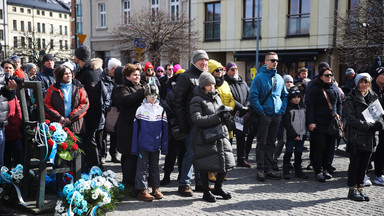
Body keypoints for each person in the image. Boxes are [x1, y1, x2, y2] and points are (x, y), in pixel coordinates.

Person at [190, 72, 235, 202]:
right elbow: (197, 119)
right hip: (205, 136)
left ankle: (218, 187)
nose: (212, 87)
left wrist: (226, 116)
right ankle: (206, 192)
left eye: (213, 84)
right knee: (205, 165)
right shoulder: (196, 100)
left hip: (221, 134)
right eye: (209, 85)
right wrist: (217, 117)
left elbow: (220, 111)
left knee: (226, 162)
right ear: (203, 85)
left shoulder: (216, 96)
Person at [173, 50, 209, 196]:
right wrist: (183, 124)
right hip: (190, 123)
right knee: (191, 153)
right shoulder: (185, 77)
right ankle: (184, 184)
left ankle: (200, 183)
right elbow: (178, 103)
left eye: (206, 60)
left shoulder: (206, 77)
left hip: (204, 123)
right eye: (201, 60)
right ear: (195, 61)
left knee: (202, 153)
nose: (204, 62)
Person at [248, 52, 288, 181]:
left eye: (276, 60)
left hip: (276, 115)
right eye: (272, 60)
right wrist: (261, 112)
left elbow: (284, 95)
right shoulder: (259, 78)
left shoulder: (280, 78)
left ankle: (269, 168)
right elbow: (252, 96)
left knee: (271, 142)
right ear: (266, 62)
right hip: (264, 115)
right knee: (261, 143)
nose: (275, 62)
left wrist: (281, 110)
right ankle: (260, 169)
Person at [344, 73, 383, 201]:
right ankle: (352, 190)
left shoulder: (373, 97)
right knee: (355, 164)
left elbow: (380, 116)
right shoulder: (351, 97)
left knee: (364, 166)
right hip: (357, 136)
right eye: (361, 82)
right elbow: (350, 119)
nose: (363, 84)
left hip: (371, 137)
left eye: (366, 82)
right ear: (356, 83)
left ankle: (361, 189)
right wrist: (367, 125)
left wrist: (379, 125)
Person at [132, 83, 168, 201]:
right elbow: (136, 130)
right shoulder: (140, 109)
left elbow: (165, 129)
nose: (153, 97)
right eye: (150, 94)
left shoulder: (161, 110)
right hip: (143, 144)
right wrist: (134, 147)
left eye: (155, 95)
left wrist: (164, 146)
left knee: (155, 167)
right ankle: (142, 190)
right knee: (142, 167)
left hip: (155, 145)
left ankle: (155, 188)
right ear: (146, 95)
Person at [113, 63, 146, 190]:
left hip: (142, 126)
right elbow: (125, 101)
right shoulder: (121, 88)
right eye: (134, 75)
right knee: (128, 157)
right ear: (127, 76)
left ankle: (139, 183)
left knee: (140, 157)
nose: (137, 77)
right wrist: (142, 92)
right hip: (127, 127)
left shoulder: (143, 85)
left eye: (138, 74)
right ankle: (128, 184)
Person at [306, 67, 342, 182]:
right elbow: (310, 107)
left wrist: (339, 117)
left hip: (332, 123)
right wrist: (311, 122)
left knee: (330, 147)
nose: (329, 77)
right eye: (326, 75)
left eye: (331, 75)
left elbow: (339, 103)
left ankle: (326, 168)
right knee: (319, 147)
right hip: (319, 123)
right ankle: (318, 170)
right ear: (321, 76)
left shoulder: (334, 88)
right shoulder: (315, 89)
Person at [74, 45, 104, 170]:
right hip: (93, 113)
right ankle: (93, 166)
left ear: (77, 58)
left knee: (89, 142)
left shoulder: (88, 72)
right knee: (91, 141)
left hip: (90, 114)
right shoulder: (93, 70)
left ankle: (94, 168)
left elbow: (91, 97)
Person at [44, 64, 89, 137]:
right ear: (60, 75)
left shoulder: (78, 87)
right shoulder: (52, 89)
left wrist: (71, 118)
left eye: (70, 73)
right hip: (58, 126)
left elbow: (84, 104)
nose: (69, 75)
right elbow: (46, 104)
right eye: (66, 74)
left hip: (76, 125)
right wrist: (59, 117)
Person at [160, 69, 186, 186]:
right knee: (172, 155)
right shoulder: (172, 94)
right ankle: (167, 176)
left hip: (184, 128)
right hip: (174, 129)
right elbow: (166, 109)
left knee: (182, 154)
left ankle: (181, 176)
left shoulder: (186, 93)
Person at [224, 62, 252, 168]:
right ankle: (228, 161)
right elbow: (230, 98)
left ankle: (241, 159)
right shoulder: (225, 82)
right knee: (229, 139)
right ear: (227, 71)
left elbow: (249, 95)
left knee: (241, 138)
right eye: (232, 69)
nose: (234, 70)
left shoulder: (242, 82)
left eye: (236, 68)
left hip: (241, 116)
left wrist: (246, 107)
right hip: (231, 114)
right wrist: (241, 107)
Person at [0, 61, 17, 216]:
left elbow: (7, 95)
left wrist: (10, 89)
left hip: (0, 125)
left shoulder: (1, 72)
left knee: (0, 165)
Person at [98, 58, 122, 164]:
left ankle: (114, 154)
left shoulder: (118, 78)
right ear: (112, 69)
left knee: (115, 134)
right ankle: (103, 155)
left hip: (116, 109)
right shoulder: (102, 77)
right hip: (105, 109)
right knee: (103, 134)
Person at [282, 86, 308, 180]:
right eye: (294, 97)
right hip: (291, 136)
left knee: (299, 153)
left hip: (301, 135)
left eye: (298, 97)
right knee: (288, 152)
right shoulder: (288, 108)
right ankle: (286, 169)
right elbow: (287, 123)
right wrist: (294, 135)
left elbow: (306, 121)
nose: (296, 99)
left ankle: (298, 169)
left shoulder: (303, 107)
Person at [1, 60, 23, 168]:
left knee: (18, 157)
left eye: (10, 68)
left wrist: (18, 123)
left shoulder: (16, 84)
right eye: (6, 67)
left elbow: (18, 109)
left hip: (14, 129)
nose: (8, 70)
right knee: (5, 159)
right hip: (4, 128)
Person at [273, 74, 295, 170]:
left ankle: (287, 161)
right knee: (281, 141)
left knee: (289, 142)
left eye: (291, 82)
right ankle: (274, 159)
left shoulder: (295, 92)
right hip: (281, 119)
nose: (289, 84)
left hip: (291, 120)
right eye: (287, 82)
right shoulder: (281, 91)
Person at [371, 66, 384, 186]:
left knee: (382, 150)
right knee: (374, 149)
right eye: (383, 75)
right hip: (374, 125)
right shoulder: (371, 90)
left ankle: (380, 172)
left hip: (383, 125)